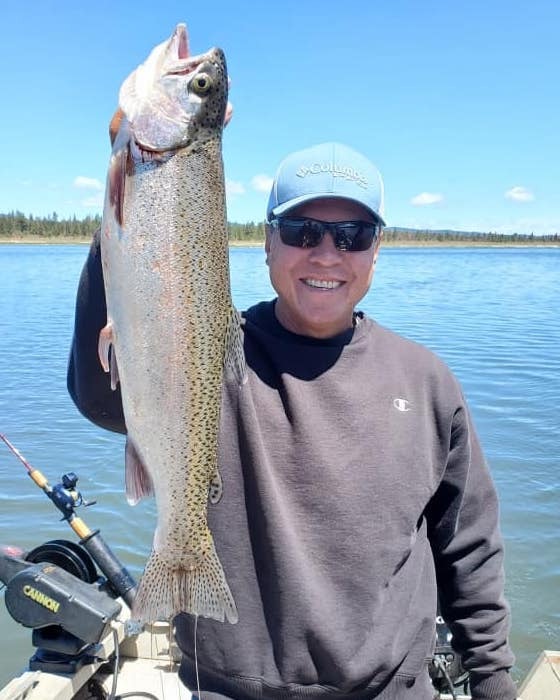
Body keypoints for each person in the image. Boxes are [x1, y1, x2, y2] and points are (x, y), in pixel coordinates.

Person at [67, 142, 517, 700]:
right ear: (267, 241)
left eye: (353, 235)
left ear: (377, 250)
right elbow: (98, 399)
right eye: (303, 230)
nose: (327, 254)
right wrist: (131, 187)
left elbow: (468, 548)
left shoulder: (425, 381)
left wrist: (493, 679)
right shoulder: (210, 351)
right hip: (230, 688)